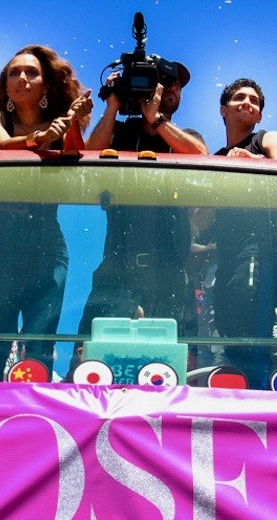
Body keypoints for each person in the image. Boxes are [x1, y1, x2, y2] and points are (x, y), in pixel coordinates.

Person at [70, 55, 206, 377]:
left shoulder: (182, 135)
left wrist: (157, 120)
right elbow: (90, 156)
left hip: (171, 268)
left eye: (176, 85)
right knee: (89, 354)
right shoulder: (118, 131)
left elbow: (201, 156)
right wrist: (112, 106)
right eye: (164, 82)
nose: (172, 89)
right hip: (118, 264)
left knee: (178, 360)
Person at [0, 44, 92, 381]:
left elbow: (76, 157)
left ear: (46, 85)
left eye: (31, 73)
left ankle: (36, 421)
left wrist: (72, 120)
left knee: (40, 340)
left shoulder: (59, 122)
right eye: (14, 72)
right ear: (5, 84)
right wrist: (38, 139)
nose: (21, 78)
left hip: (46, 237)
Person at [210, 78, 277, 387]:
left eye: (254, 101)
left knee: (253, 336)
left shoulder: (265, 138)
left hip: (259, 254)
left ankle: (256, 399)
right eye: (239, 98)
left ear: (258, 115)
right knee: (227, 330)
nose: (248, 103)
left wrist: (253, 160)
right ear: (223, 109)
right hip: (227, 259)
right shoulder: (215, 157)